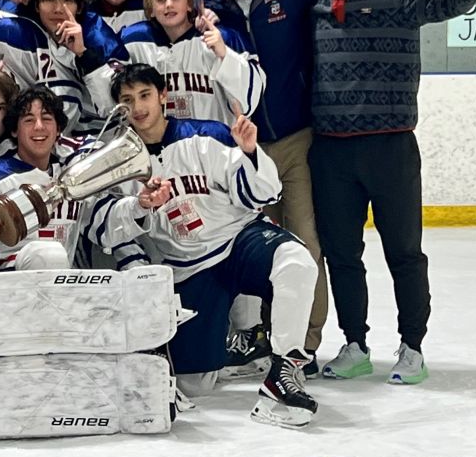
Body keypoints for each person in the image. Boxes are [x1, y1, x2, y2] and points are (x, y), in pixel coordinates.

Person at [87, 64, 319, 428]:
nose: (139, 107)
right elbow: (103, 230)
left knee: (297, 262)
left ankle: (283, 373)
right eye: (128, 100)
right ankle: (232, 346)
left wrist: (251, 152)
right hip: (187, 266)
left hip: (239, 240)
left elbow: (267, 192)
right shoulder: (114, 159)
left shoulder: (205, 134)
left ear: (164, 96)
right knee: (194, 384)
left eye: (146, 95)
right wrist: (140, 206)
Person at [311, 0, 476, 385]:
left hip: (390, 146)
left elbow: (450, 1)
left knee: (404, 253)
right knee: (342, 255)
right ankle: (354, 344)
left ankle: (412, 347)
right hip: (330, 151)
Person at [201, 0, 331, 372]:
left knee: (304, 242)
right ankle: (261, 338)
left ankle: (303, 346)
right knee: (254, 248)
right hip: (242, 148)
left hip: (293, 139)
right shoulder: (210, 5)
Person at [0, 87, 85, 272]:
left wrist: (137, 206)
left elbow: (106, 229)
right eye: (29, 120)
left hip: (60, 293)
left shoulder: (72, 176)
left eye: (46, 118)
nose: (39, 126)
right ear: (14, 130)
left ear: (58, 128)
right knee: (46, 255)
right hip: (7, 293)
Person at [121, 0, 264, 125]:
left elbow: (249, 102)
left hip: (215, 145)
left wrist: (225, 54)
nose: (169, 4)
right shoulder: (134, 42)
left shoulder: (222, 37)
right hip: (163, 147)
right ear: (151, 9)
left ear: (189, 4)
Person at [13, 0, 127, 135]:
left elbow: (116, 106)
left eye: (67, 0)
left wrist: (84, 54)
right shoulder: (27, 27)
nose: (58, 9)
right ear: (36, 6)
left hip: (101, 139)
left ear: (80, 7)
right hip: (46, 137)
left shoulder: (97, 36)